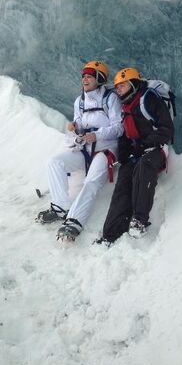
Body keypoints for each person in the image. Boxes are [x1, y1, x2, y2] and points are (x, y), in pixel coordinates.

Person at [37, 61, 123, 241]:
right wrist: (74, 127)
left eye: (90, 75)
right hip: (84, 149)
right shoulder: (80, 101)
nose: (85, 78)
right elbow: (79, 124)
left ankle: (74, 222)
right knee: (55, 162)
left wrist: (97, 136)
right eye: (83, 75)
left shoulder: (110, 98)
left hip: (105, 150)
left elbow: (119, 128)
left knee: (91, 182)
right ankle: (61, 207)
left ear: (99, 78)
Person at [98, 67, 174, 244]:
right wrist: (125, 155)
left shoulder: (149, 99)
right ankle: (110, 234)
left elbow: (167, 130)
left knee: (144, 166)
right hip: (138, 151)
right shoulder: (125, 106)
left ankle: (139, 220)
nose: (118, 90)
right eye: (117, 87)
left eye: (122, 86)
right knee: (123, 181)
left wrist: (145, 144)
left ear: (133, 84)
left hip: (157, 148)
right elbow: (126, 134)